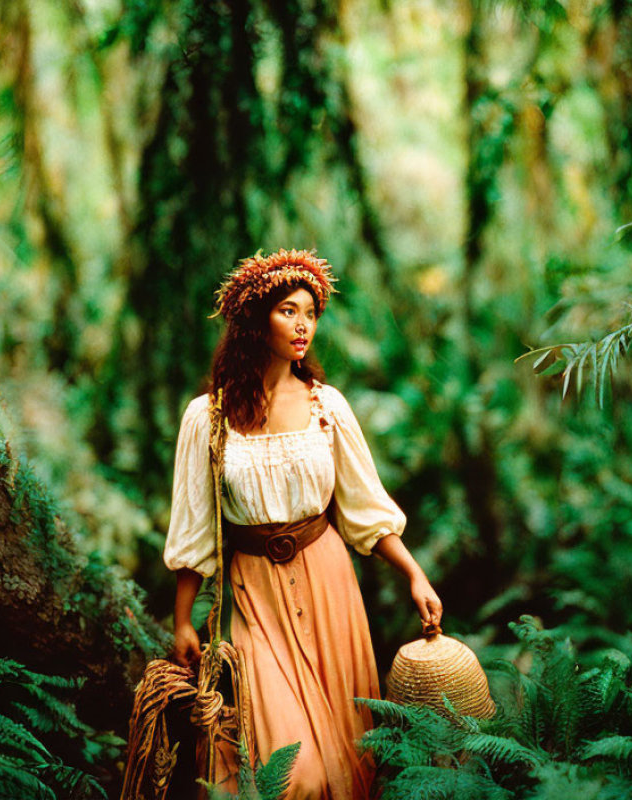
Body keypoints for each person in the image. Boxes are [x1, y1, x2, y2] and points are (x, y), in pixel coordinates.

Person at [163, 248, 442, 800]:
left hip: (329, 585)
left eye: (311, 313)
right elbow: (193, 526)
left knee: (352, 765)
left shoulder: (327, 408)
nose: (303, 325)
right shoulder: (208, 417)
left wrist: (415, 575)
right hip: (253, 594)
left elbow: (366, 507)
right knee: (293, 778)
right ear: (255, 321)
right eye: (288, 311)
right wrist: (182, 621)